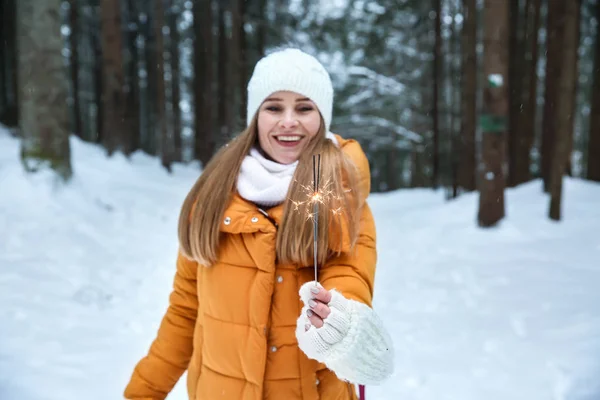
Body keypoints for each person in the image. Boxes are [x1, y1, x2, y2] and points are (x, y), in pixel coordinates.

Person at [124, 48, 394, 400]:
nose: (288, 121)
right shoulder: (214, 196)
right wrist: (142, 393)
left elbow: (349, 274)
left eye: (304, 107)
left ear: (322, 117)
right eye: (273, 107)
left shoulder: (339, 195)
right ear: (256, 116)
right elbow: (185, 312)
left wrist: (340, 315)